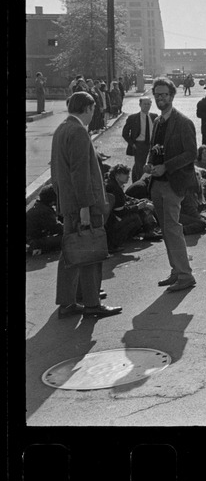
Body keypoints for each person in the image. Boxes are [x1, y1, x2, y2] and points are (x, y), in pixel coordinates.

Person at [50, 91, 120, 319]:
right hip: (84, 204)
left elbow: (57, 172)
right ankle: (91, 302)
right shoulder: (79, 131)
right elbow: (80, 173)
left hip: (69, 203)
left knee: (70, 253)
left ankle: (68, 301)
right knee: (90, 252)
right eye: (93, 109)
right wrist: (85, 209)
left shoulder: (62, 128)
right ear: (88, 108)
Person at [144, 77, 198, 293]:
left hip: (173, 183)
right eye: (157, 95)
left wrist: (166, 166)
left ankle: (185, 275)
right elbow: (154, 148)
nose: (160, 98)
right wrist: (149, 163)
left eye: (164, 94)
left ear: (172, 96)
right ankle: (176, 271)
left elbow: (191, 153)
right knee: (166, 230)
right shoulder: (158, 121)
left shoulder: (184, 122)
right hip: (156, 183)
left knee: (173, 229)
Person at [104, 164, 160, 250]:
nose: (128, 176)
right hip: (112, 222)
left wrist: (139, 202)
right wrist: (137, 207)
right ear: (117, 175)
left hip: (112, 219)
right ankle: (116, 242)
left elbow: (126, 197)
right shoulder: (114, 188)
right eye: (125, 174)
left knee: (143, 202)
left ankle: (150, 230)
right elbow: (120, 212)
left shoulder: (114, 184)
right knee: (136, 217)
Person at [122, 96, 159, 182]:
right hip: (139, 145)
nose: (146, 106)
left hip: (151, 145)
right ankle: (139, 184)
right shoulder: (133, 118)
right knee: (140, 166)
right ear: (140, 105)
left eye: (148, 104)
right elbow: (125, 133)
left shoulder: (155, 117)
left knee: (151, 165)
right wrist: (132, 144)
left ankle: (146, 182)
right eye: (144, 104)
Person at [26, 184, 64, 256]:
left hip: (32, 236)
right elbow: (56, 228)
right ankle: (36, 248)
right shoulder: (44, 211)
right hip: (32, 241)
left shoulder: (38, 205)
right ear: (52, 201)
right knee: (65, 238)